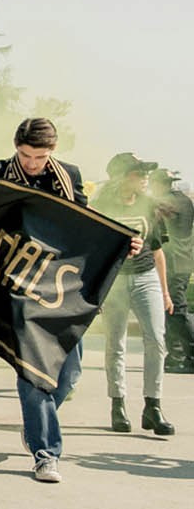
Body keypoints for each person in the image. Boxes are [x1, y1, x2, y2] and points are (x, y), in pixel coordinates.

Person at [0, 118, 95, 483]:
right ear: (15, 147)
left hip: (61, 286)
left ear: (52, 152)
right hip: (17, 286)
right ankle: (46, 453)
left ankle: (35, 422)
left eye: (39, 157)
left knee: (69, 373)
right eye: (25, 155)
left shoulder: (69, 176)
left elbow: (87, 225)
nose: (31, 164)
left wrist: (124, 244)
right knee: (36, 374)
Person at [92, 152, 175, 437]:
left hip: (146, 276)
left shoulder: (148, 205)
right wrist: (96, 290)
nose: (145, 178)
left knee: (156, 339)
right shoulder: (101, 204)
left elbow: (157, 249)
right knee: (116, 343)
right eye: (139, 173)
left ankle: (153, 407)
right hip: (114, 280)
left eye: (146, 174)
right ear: (122, 176)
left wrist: (164, 292)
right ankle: (118, 405)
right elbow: (93, 249)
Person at [151, 168, 194, 374]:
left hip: (176, 263)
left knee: (176, 309)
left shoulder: (175, 201)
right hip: (176, 262)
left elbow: (154, 206)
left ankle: (191, 353)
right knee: (167, 310)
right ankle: (176, 355)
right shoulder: (180, 199)